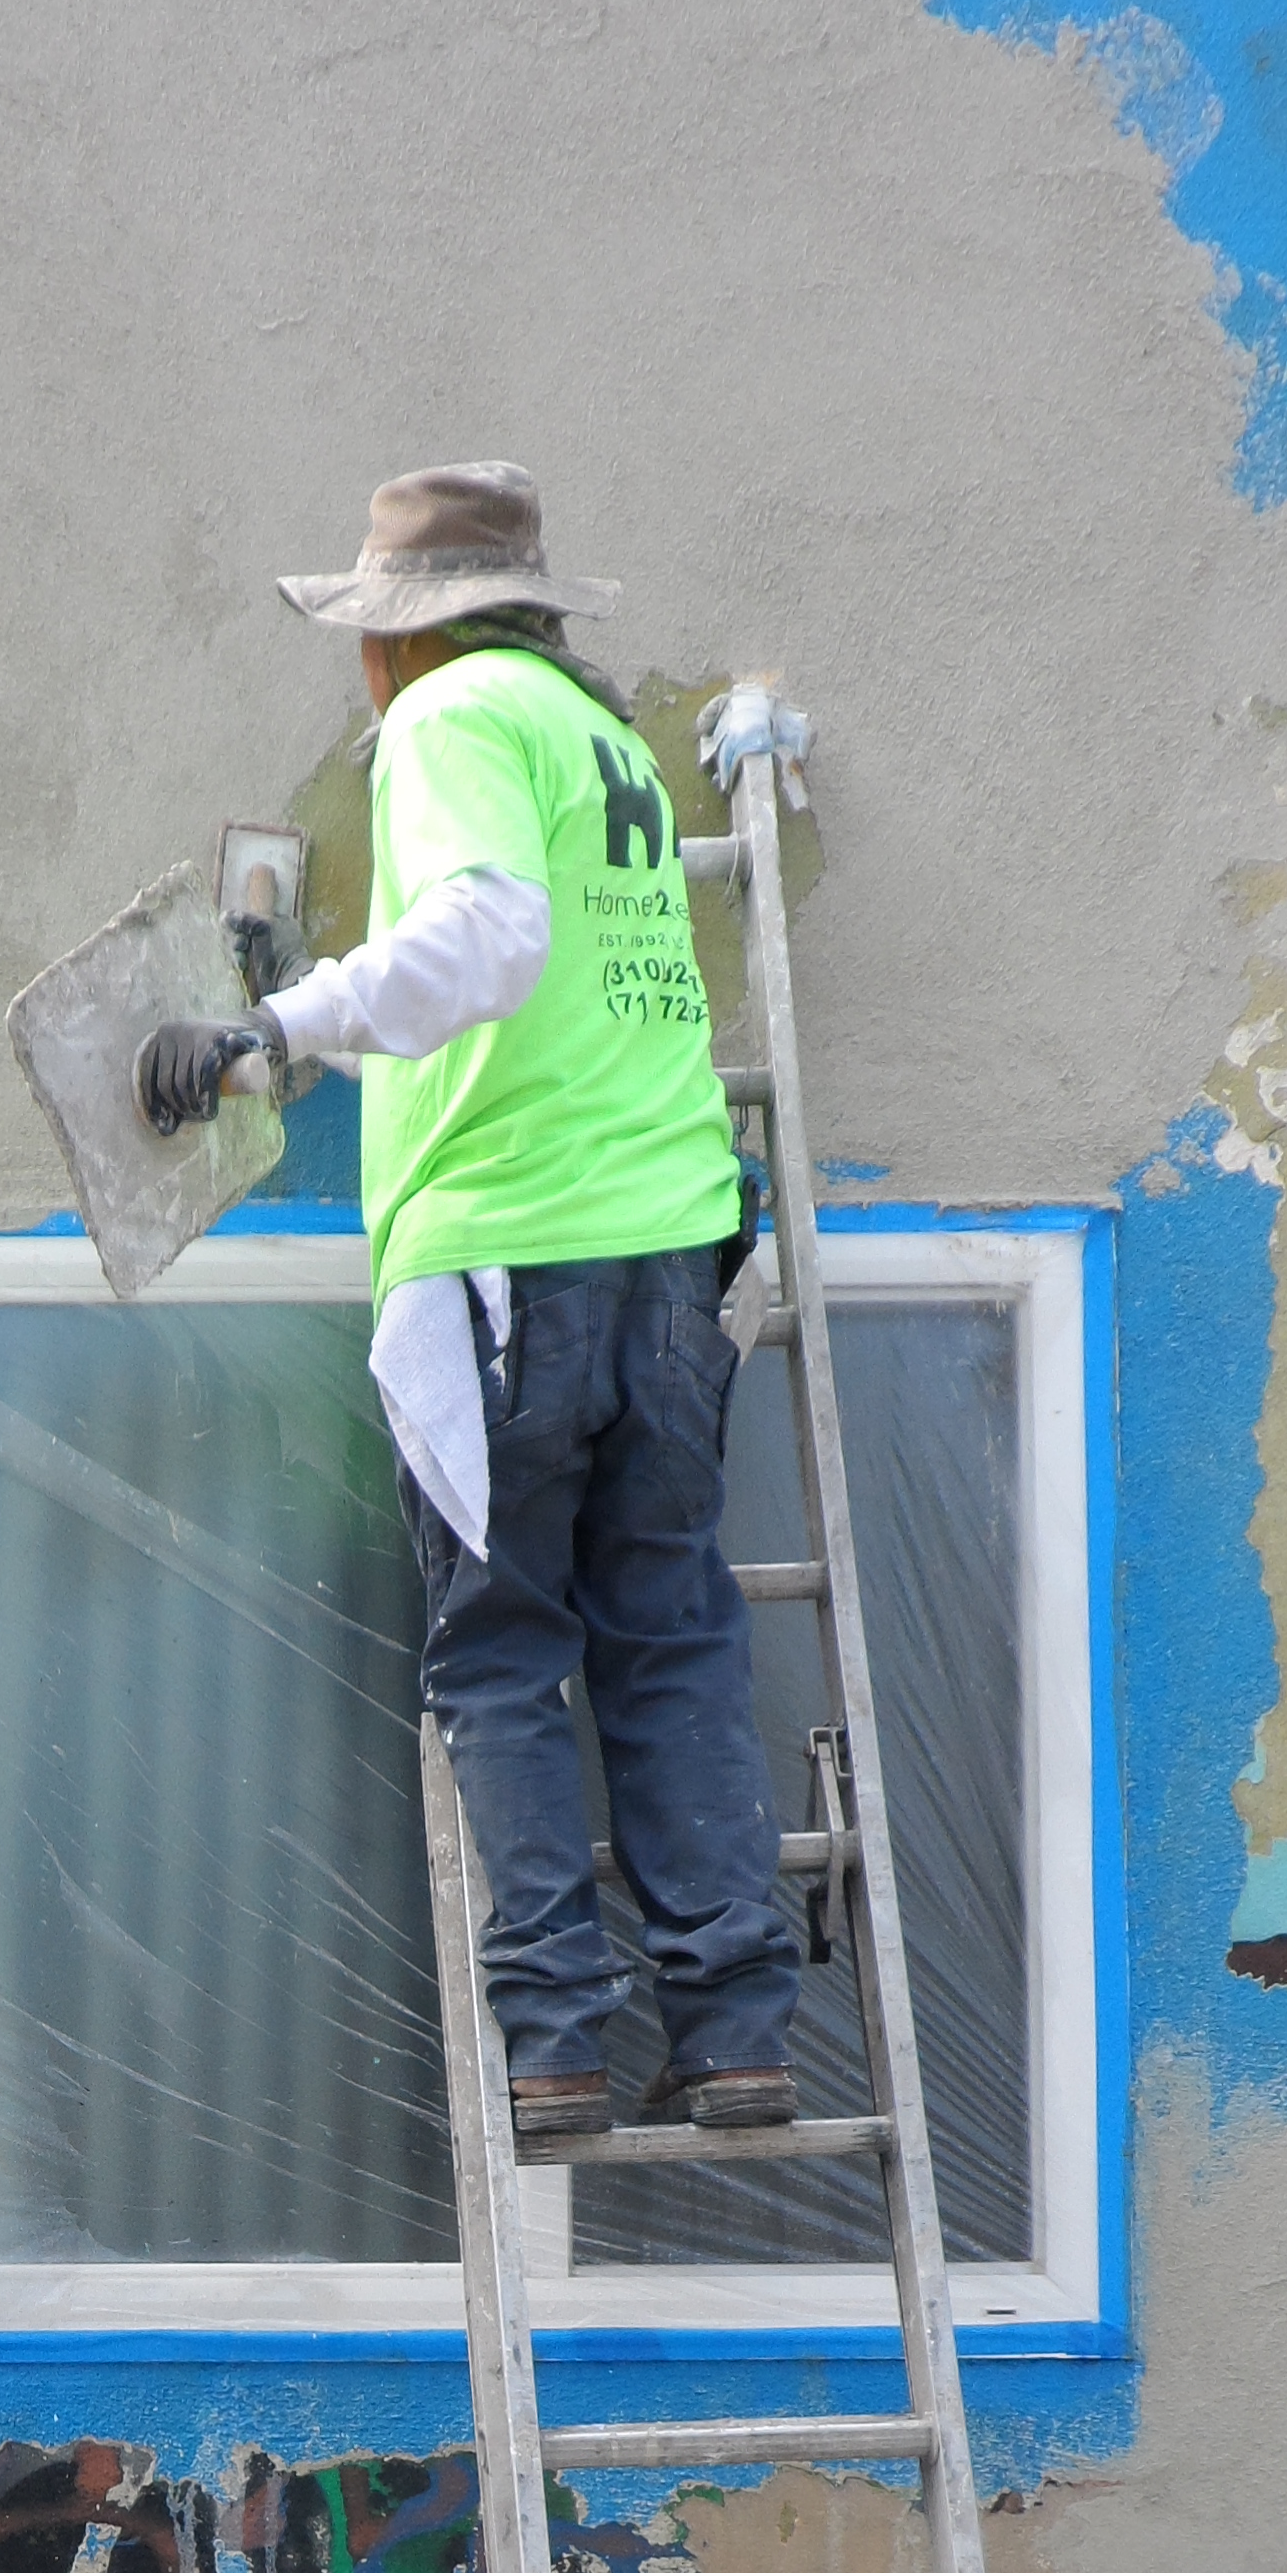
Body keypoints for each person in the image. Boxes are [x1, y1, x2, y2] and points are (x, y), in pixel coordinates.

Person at [137, 462, 804, 2142]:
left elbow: (489, 940)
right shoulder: (603, 739)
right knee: (665, 1639)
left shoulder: (446, 723)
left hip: (514, 1253)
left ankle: (558, 2043)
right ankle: (733, 2031)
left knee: (501, 1655)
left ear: (395, 643)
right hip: (666, 1249)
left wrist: (274, 1028)